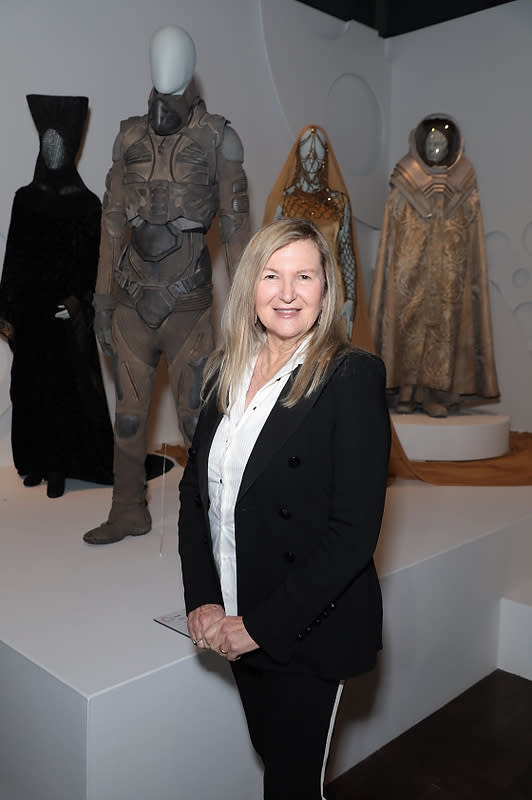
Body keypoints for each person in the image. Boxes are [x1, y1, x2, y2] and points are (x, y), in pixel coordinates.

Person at [178, 217, 391, 799]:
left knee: (291, 786)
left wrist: (261, 627)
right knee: (274, 760)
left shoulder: (351, 376)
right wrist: (203, 596)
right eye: (272, 275)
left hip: (303, 629)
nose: (288, 292)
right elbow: (195, 493)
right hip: (234, 619)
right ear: (251, 287)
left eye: (305, 275)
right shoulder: (225, 370)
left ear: (326, 290)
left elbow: (353, 532)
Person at [84, 26, 249, 544]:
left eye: (175, 56)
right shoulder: (128, 138)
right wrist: (103, 301)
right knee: (128, 419)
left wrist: (253, 310)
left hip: (189, 309)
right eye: (158, 54)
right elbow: (111, 225)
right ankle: (127, 507)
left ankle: (209, 523)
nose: (166, 64)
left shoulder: (219, 138)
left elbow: (239, 233)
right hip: (133, 303)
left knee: (200, 421)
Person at [0, 94, 114, 498]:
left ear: (70, 150)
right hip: (31, 316)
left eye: (59, 144)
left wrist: (78, 304)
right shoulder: (24, 200)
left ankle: (62, 465)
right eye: (46, 143)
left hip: (65, 317)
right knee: (30, 390)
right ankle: (33, 461)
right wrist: (7, 309)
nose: (52, 150)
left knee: (66, 392)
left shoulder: (87, 206)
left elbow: (95, 268)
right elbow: (13, 258)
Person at [369, 113, 499, 417]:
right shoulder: (406, 175)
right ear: (421, 144)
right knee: (407, 326)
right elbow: (394, 226)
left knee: (445, 330)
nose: (437, 147)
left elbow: (470, 226)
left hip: (448, 273)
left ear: (453, 145)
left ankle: (434, 393)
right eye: (432, 141)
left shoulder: (464, 177)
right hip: (410, 270)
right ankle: (405, 391)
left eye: (442, 141)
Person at [263, 124, 374, 352]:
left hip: (334, 290)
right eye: (307, 150)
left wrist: (351, 298)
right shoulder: (284, 202)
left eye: (318, 151)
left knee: (332, 355)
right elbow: (266, 255)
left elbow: (346, 251)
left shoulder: (339, 202)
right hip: (294, 287)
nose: (312, 158)